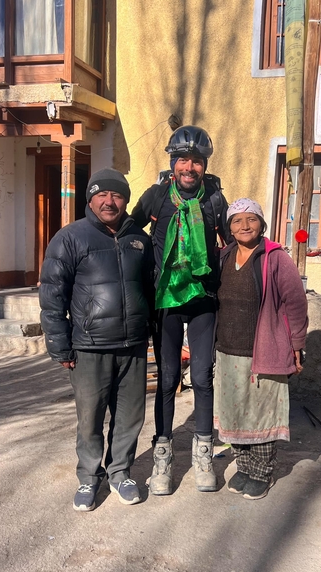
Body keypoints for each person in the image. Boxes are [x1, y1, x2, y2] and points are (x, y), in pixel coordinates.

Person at [39, 167, 154, 511]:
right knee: (90, 418)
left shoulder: (140, 240)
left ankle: (120, 472)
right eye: (101, 194)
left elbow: (149, 289)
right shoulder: (70, 237)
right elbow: (52, 295)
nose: (109, 200)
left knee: (130, 416)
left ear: (125, 200)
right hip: (88, 347)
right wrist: (59, 343)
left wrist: (152, 334)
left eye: (117, 194)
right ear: (90, 198)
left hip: (132, 345)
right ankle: (89, 477)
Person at [131, 125, 230, 495]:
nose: (189, 167)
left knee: (203, 377)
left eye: (196, 161)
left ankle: (203, 455)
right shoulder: (157, 196)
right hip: (167, 299)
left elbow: (235, 243)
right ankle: (163, 458)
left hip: (203, 297)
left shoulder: (215, 200)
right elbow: (128, 230)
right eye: (183, 160)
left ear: (204, 165)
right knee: (169, 379)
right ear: (173, 163)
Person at [214, 198, 308, 500]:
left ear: (261, 224)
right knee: (235, 413)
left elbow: (295, 304)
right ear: (229, 227)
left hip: (264, 350)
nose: (245, 225)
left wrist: (297, 345)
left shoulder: (276, 258)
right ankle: (243, 468)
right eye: (237, 220)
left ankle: (262, 473)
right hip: (227, 350)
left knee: (262, 414)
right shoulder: (224, 256)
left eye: (251, 219)